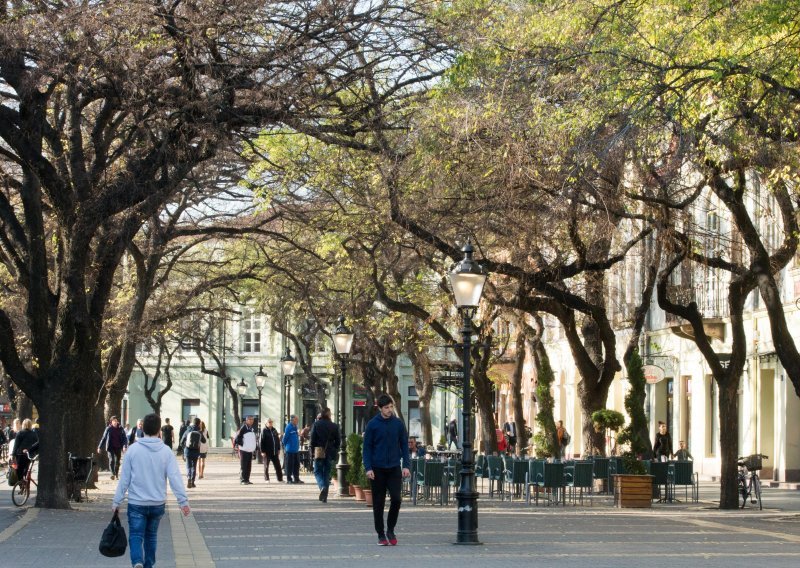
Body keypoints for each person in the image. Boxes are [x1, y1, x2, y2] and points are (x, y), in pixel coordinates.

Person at [112, 413, 190, 568]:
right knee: (151, 536)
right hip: (157, 502)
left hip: (136, 502)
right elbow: (175, 478)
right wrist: (183, 501)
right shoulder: (166, 451)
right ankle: (149, 565)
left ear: (143, 429)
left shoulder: (133, 451)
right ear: (158, 431)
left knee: (135, 535)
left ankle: (137, 562)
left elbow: (124, 479)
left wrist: (117, 501)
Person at [363, 394, 411, 546]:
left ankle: (391, 529)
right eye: (386, 408)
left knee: (396, 499)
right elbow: (367, 448)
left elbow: (404, 445)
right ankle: (381, 534)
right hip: (377, 469)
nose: (389, 410)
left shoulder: (398, 424)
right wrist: (368, 467)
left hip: (394, 468)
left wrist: (406, 466)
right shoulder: (372, 425)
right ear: (380, 408)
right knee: (378, 503)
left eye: (391, 407)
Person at [309, 408, 341, 502]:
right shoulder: (334, 426)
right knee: (326, 473)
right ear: (329, 415)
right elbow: (338, 441)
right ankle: (324, 496)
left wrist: (311, 452)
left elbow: (312, 440)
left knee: (317, 471)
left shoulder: (316, 424)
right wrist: (334, 449)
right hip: (330, 452)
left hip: (319, 451)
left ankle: (322, 487)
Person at [98, 415, 129, 480]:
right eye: (114, 421)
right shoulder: (108, 429)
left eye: (116, 421)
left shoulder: (120, 428)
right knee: (111, 460)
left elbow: (124, 438)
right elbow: (103, 438)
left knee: (117, 461)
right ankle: (112, 474)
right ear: (111, 422)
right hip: (110, 447)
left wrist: (124, 446)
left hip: (118, 447)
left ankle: (116, 473)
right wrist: (99, 447)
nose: (115, 422)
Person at [179, 417, 205, 488]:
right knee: (194, 466)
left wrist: (184, 447)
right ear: (199, 423)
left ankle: (189, 479)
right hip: (196, 451)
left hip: (188, 451)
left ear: (193, 422)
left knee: (188, 466)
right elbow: (204, 441)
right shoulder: (199, 431)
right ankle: (193, 482)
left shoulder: (188, 429)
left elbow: (182, 441)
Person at [234, 415, 257, 485]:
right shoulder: (243, 428)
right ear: (246, 420)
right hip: (243, 450)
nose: (251, 421)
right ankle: (242, 480)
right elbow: (237, 437)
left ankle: (247, 479)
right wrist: (239, 445)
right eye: (250, 419)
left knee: (248, 466)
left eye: (252, 419)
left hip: (249, 450)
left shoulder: (252, 428)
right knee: (243, 465)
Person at [260, 417, 283, 483]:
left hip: (274, 451)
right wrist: (262, 451)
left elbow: (277, 440)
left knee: (278, 466)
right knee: (266, 466)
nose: (271, 423)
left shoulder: (274, 430)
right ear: (266, 423)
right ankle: (267, 479)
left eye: (271, 422)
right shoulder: (264, 430)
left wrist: (278, 449)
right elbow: (261, 442)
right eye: (269, 422)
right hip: (267, 452)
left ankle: (280, 479)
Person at [283, 415, 302, 484]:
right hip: (290, 449)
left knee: (296, 465)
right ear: (292, 420)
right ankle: (289, 479)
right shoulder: (288, 427)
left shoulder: (295, 427)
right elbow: (285, 438)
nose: (297, 421)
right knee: (289, 465)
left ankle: (296, 478)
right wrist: (285, 447)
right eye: (296, 420)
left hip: (296, 450)